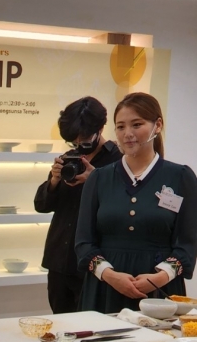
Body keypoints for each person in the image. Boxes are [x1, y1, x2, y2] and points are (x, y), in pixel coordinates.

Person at [75, 92, 197, 314]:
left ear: (157, 125)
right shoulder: (99, 178)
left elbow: (187, 244)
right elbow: (83, 242)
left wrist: (160, 277)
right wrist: (110, 275)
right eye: (120, 127)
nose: (128, 134)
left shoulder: (180, 177)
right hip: (105, 287)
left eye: (136, 124)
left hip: (160, 291)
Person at [34, 97, 121, 313]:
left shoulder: (117, 160)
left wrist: (97, 181)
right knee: (60, 324)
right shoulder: (68, 158)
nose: (78, 145)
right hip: (59, 261)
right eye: (73, 141)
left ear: (100, 128)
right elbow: (41, 205)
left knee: (90, 326)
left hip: (94, 264)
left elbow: (121, 211)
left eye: (83, 139)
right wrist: (54, 181)